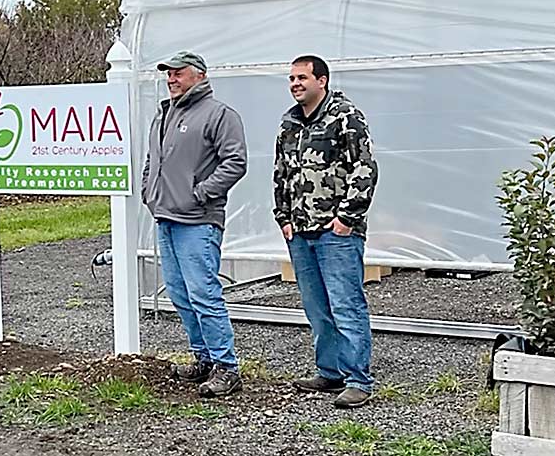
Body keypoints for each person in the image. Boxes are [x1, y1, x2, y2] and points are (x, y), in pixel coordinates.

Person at [274, 55, 379, 408]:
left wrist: (346, 220)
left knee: (346, 305)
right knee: (317, 307)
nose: (295, 84)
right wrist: (284, 218)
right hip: (300, 231)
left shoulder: (345, 116)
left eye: (301, 77)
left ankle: (358, 380)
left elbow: (364, 169)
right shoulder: (289, 124)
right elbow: (281, 175)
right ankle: (330, 371)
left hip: (336, 233)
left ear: (322, 80)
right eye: (291, 78)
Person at [141, 50, 248, 397]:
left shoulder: (219, 115)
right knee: (180, 294)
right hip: (166, 217)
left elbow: (235, 162)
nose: (171, 79)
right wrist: (149, 190)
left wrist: (200, 193)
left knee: (204, 293)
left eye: (178, 73)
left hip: (198, 220)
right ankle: (203, 358)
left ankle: (226, 367)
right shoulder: (163, 115)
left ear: (199, 75)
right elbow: (151, 160)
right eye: (168, 74)